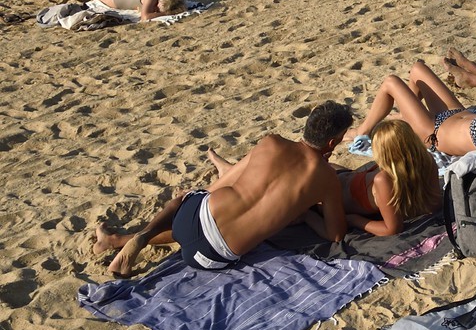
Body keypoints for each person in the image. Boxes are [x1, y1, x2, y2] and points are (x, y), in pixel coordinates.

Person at [92, 101, 353, 276]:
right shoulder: (326, 178)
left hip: (191, 218)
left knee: (188, 200)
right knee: (212, 224)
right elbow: (336, 234)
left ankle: (141, 235)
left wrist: (203, 192)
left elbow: (228, 181)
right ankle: (117, 241)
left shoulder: (270, 142)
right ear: (332, 142)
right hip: (213, 258)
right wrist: (307, 212)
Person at [349, 61, 476, 159]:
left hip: (433, 131)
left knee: (391, 82)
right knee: (418, 69)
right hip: (454, 113)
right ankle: (408, 115)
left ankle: (362, 131)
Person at [332, 120, 441, 237]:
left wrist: (354, 220)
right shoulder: (426, 160)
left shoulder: (384, 179)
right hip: (340, 186)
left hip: (337, 189)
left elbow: (392, 229)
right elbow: (435, 204)